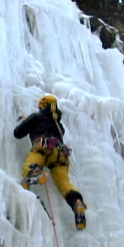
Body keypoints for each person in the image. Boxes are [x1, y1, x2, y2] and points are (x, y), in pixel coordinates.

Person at [14, 95, 87, 230]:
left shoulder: (36, 117)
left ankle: (35, 172)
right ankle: (77, 203)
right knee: (64, 185)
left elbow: (18, 133)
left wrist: (26, 122)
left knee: (32, 160)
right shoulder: (59, 125)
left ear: (43, 105)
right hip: (60, 155)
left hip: (43, 147)